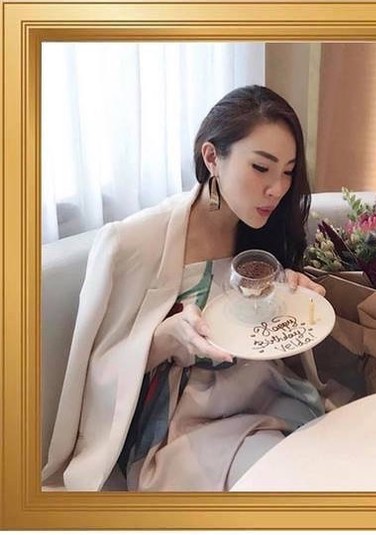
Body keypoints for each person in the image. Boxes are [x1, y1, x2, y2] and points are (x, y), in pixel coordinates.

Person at [42, 85, 327, 492]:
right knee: (285, 482)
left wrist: (290, 296)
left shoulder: (266, 231)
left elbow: (266, 337)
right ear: (212, 157)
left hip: (267, 396)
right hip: (183, 431)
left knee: (336, 468)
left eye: (288, 171)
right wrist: (165, 339)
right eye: (261, 168)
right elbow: (96, 373)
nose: (277, 188)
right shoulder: (134, 242)